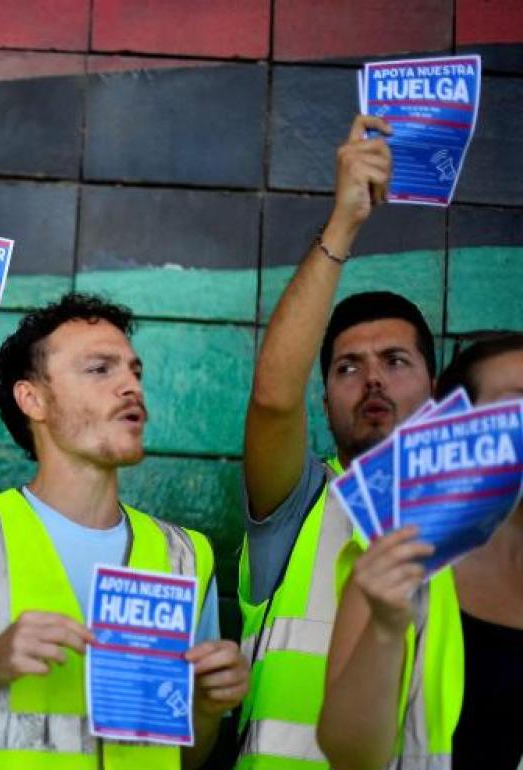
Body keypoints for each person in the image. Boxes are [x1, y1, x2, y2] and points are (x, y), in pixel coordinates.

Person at [0, 293, 248, 769]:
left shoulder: (186, 555)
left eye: (134, 371)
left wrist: (204, 706)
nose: (129, 386)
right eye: (100, 369)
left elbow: (184, 758)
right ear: (31, 398)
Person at [234, 115, 439, 768]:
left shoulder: (483, 522)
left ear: (436, 390)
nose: (373, 378)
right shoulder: (299, 505)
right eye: (348, 367)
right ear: (323, 398)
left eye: (396, 362)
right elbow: (272, 398)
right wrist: (344, 222)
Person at [318, 333, 523, 769]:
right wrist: (386, 629)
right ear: (457, 432)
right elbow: (350, 755)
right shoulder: (396, 562)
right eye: (517, 405)